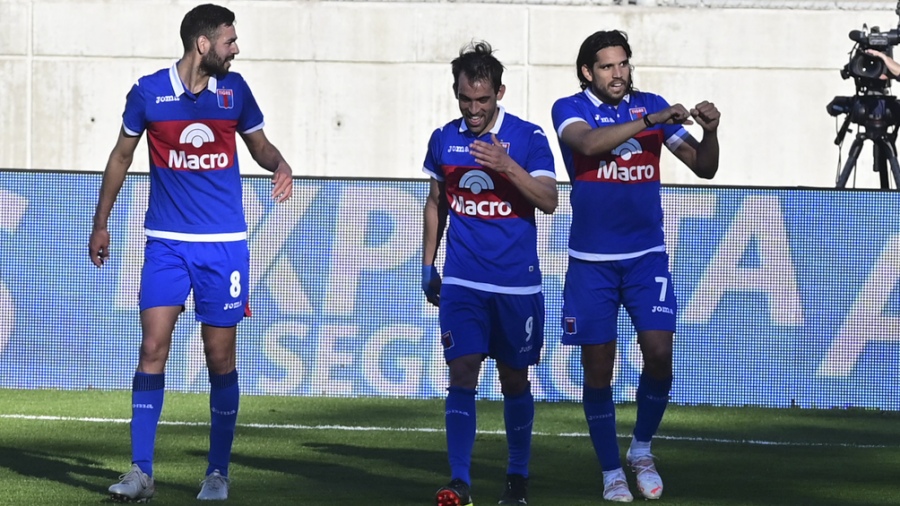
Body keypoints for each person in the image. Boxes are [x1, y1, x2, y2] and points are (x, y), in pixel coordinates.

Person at [88, 3, 293, 502]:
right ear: (203, 43)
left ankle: (217, 473)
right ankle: (141, 473)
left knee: (219, 358)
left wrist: (280, 163)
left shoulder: (234, 92)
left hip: (224, 248)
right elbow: (121, 155)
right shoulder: (148, 93)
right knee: (151, 348)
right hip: (166, 244)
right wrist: (101, 220)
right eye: (229, 40)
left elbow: (259, 145)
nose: (236, 48)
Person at [550, 30, 719, 502]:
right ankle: (611, 470)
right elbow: (587, 144)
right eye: (607, 66)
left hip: (647, 257)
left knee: (660, 353)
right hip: (592, 262)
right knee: (598, 365)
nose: (618, 73)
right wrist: (650, 119)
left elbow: (703, 167)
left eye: (623, 64)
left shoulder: (652, 104)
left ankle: (641, 450)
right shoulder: (570, 107)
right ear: (588, 71)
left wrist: (711, 132)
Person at [422, 41, 558, 506]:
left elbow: (549, 199)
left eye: (483, 100)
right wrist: (427, 264)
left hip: (517, 283)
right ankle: (459, 480)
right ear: (457, 93)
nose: (474, 109)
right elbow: (437, 201)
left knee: (514, 380)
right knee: (462, 372)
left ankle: (517, 478)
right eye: (466, 99)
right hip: (462, 280)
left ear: (500, 92)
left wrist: (506, 165)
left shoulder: (528, 137)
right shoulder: (444, 139)